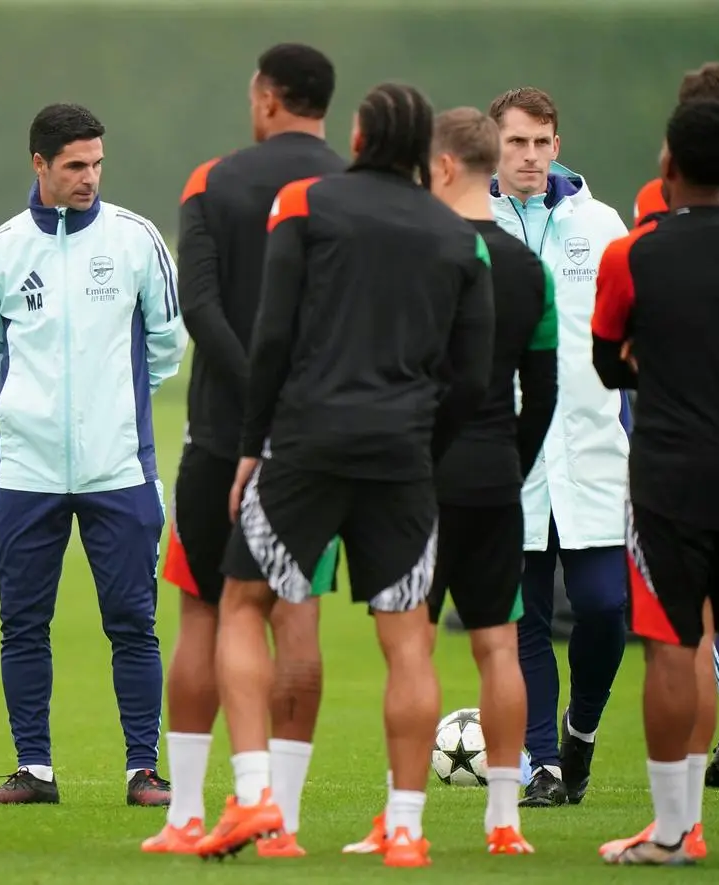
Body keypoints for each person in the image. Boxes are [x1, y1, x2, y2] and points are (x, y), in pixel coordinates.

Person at [194, 82, 494, 866]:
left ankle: (255, 796)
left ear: (359, 137)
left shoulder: (305, 203)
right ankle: (405, 828)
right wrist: (424, 445)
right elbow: (472, 376)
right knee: (409, 646)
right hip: (402, 455)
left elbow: (272, 336)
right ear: (427, 152)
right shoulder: (458, 235)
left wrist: (254, 446)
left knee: (240, 602)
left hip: (306, 444)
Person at [145, 43, 345, 858]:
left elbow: (198, 305)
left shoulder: (209, 182)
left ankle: (187, 813)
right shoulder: (352, 190)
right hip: (312, 442)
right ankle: (283, 825)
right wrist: (293, 400)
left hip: (220, 434)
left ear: (266, 97)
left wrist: (252, 398)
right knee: (295, 615)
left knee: (202, 611)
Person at [343, 107, 558, 858]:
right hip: (497, 477)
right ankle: (506, 822)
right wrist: (511, 462)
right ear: (493, 161)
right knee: (500, 646)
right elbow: (547, 388)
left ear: (437, 167)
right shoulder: (530, 268)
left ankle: (403, 823)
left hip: (412, 480)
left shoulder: (412, 254)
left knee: (411, 651)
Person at [0, 102, 187, 806]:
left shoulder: (136, 241)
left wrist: (109, 410)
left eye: (96, 164)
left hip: (120, 469)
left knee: (133, 621)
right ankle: (34, 770)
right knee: (23, 623)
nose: (89, 177)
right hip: (26, 473)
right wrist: (37, 411)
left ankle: (142, 772)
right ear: (40, 165)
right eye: (74, 166)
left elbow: (167, 346)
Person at [591, 97, 719, 865]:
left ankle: (675, 831)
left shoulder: (632, 254)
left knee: (673, 647)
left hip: (671, 481)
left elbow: (606, 359)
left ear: (668, 166)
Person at [487, 86, 631, 808]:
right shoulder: (471, 223)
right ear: (494, 145)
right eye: (517, 143)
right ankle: (544, 762)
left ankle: (581, 726)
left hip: (595, 451)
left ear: (558, 143)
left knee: (607, 607)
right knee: (524, 617)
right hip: (504, 458)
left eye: (543, 142)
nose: (532, 157)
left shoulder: (602, 223)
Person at [630, 62, 719, 791]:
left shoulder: (646, 222)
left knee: (680, 635)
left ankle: (677, 822)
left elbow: (621, 348)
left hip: (673, 454)